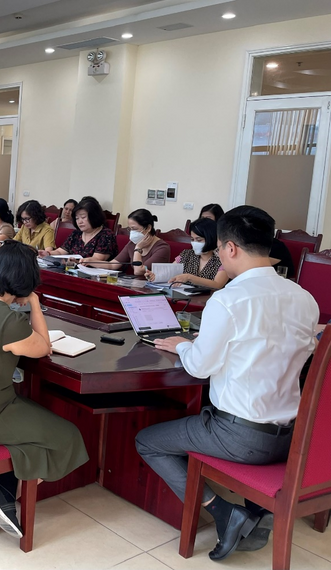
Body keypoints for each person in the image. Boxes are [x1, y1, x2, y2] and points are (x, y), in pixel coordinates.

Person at [135, 206, 318, 561]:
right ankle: (258, 510)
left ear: (230, 248)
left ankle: (223, 511)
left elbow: (200, 368)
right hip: (292, 438)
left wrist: (184, 345)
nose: (218, 254)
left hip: (242, 438)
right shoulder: (304, 298)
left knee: (148, 441)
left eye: (218, 248)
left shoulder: (228, 300)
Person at [0, 240, 88, 537]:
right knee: (67, 435)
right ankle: (3, 493)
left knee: (33, 433)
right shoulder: (10, 321)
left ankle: (2, 492)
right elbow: (43, 347)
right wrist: (36, 304)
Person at [145, 217, 229, 289]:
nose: (194, 243)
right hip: (184, 296)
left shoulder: (222, 259)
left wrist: (189, 277)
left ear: (211, 238)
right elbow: (169, 272)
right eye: (192, 239)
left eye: (199, 240)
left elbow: (217, 285)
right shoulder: (186, 254)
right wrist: (155, 276)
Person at [45, 196, 117, 263]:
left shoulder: (106, 235)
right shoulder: (76, 233)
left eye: (83, 217)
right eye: (77, 218)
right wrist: (48, 253)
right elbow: (60, 252)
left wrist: (77, 262)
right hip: (73, 269)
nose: (79, 222)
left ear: (94, 216)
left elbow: (96, 260)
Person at [110, 209, 170, 277]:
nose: (131, 232)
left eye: (134, 229)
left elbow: (138, 271)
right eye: (130, 229)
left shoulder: (162, 248)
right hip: (135, 282)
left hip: (150, 283)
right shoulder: (132, 243)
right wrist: (98, 263)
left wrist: (138, 248)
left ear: (148, 228)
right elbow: (113, 265)